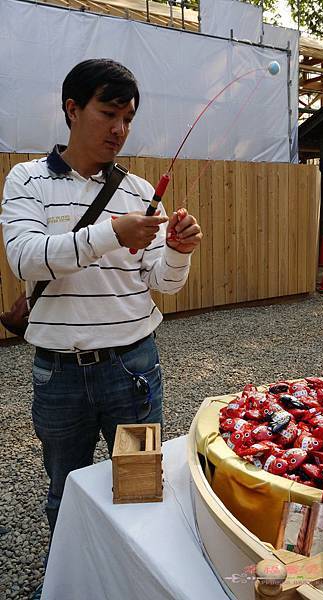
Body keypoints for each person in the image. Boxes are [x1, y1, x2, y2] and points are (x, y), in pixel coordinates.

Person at [1, 58, 202, 590]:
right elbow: (24, 258)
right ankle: (74, 581)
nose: (120, 128)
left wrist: (177, 251)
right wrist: (113, 233)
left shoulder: (138, 190)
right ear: (72, 109)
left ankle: (137, 581)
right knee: (65, 491)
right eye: (108, 112)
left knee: (142, 487)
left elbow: (163, 280)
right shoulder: (26, 180)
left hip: (134, 368)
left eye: (128, 118)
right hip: (59, 376)